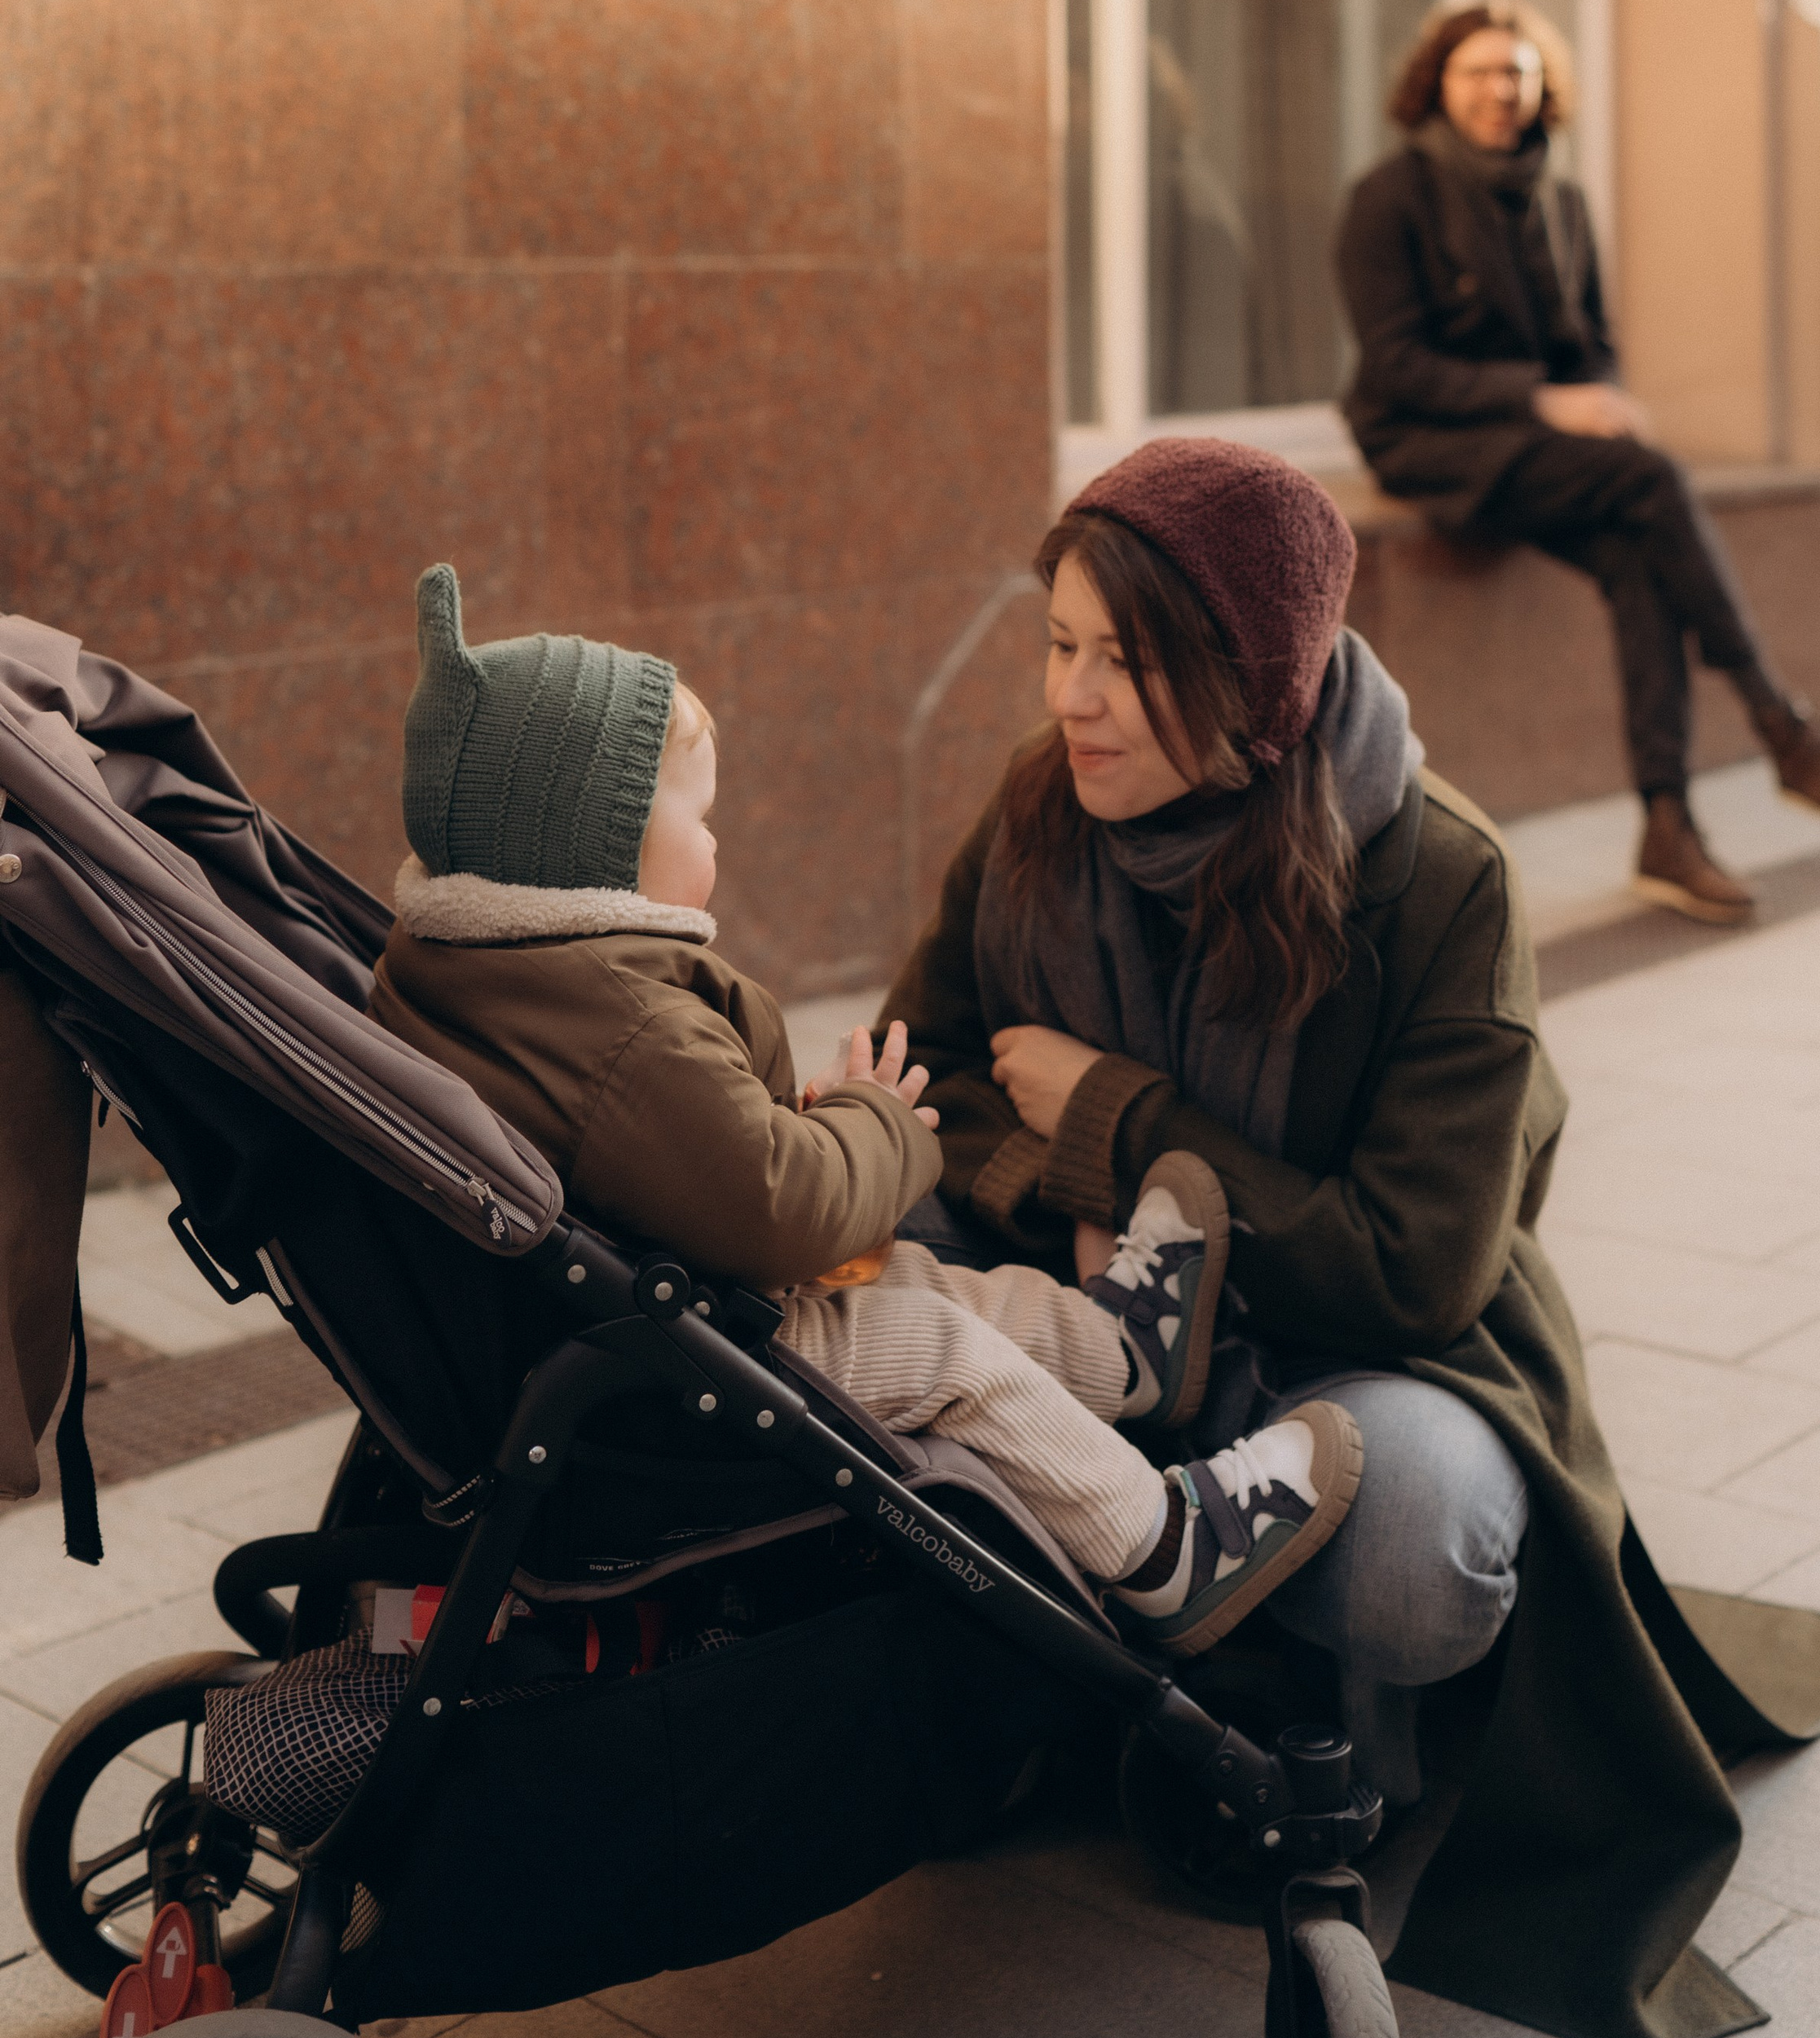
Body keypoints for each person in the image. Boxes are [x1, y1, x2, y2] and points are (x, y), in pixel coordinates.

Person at [881, 438, 1820, 2038]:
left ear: (1251, 676)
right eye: (1058, 646)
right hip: (1099, 1319)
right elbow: (917, 1083)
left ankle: (1295, 1679)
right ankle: (1144, 1657)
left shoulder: (1433, 876)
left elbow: (1412, 1264)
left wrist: (1128, 1127)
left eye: (1126, 663)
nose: (1071, 698)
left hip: (1367, 1350)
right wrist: (1067, 1202)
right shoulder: (1034, 821)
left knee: (1427, 1550)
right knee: (874, 1310)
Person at [367, 565, 1360, 1656]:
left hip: (652, 1319)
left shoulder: (474, 971)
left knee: (920, 1281)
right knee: (940, 1348)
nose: (716, 845)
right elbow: (787, 1209)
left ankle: (1119, 1350)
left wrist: (788, 1125)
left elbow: (688, 1160)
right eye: (699, 817)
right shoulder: (622, 1030)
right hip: (677, 1371)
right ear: (596, 850)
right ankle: (1166, 1548)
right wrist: (875, 1122)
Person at [1333, 0, 1820, 923]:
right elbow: (1394, 364)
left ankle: (1668, 826)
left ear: (1542, 86)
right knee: (1655, 480)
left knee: (1641, 554)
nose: (1498, 92)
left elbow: (1589, 343)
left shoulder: (1561, 197)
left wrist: (1600, 400)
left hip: (1535, 447)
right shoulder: (1389, 197)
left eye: (1516, 73)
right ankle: (1776, 722)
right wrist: (1544, 401)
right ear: (1437, 84)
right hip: (1429, 445)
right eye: (1477, 73)